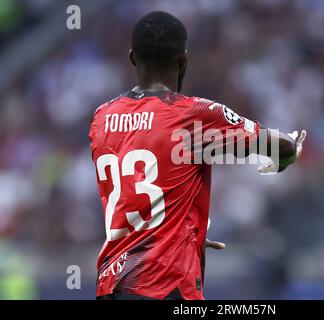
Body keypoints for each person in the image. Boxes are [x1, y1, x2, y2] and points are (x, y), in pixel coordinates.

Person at [89, 11, 306, 300]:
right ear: (183, 59)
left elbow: (139, 193)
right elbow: (281, 147)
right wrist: (287, 155)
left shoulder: (102, 117)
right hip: (163, 286)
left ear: (132, 58)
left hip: (111, 285)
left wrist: (186, 230)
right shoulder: (191, 114)